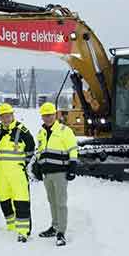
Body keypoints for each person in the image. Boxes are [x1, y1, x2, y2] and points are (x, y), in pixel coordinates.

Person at [32, 102, 78, 246]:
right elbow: (39, 152)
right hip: (47, 174)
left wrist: (73, 166)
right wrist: (38, 167)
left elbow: (73, 149)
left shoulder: (65, 130)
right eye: (45, 115)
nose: (48, 118)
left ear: (55, 115)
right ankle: (54, 226)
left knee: (61, 203)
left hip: (60, 172)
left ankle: (61, 232)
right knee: (52, 202)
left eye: (50, 115)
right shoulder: (41, 133)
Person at [0, 103, 35, 242]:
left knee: (21, 201)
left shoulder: (22, 131)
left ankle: (23, 231)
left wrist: (22, 164)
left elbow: (31, 149)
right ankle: (11, 226)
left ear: (13, 115)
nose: (6, 119)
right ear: (0, 118)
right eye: (3, 117)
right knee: (4, 200)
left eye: (8, 116)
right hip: (1, 173)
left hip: (17, 173)